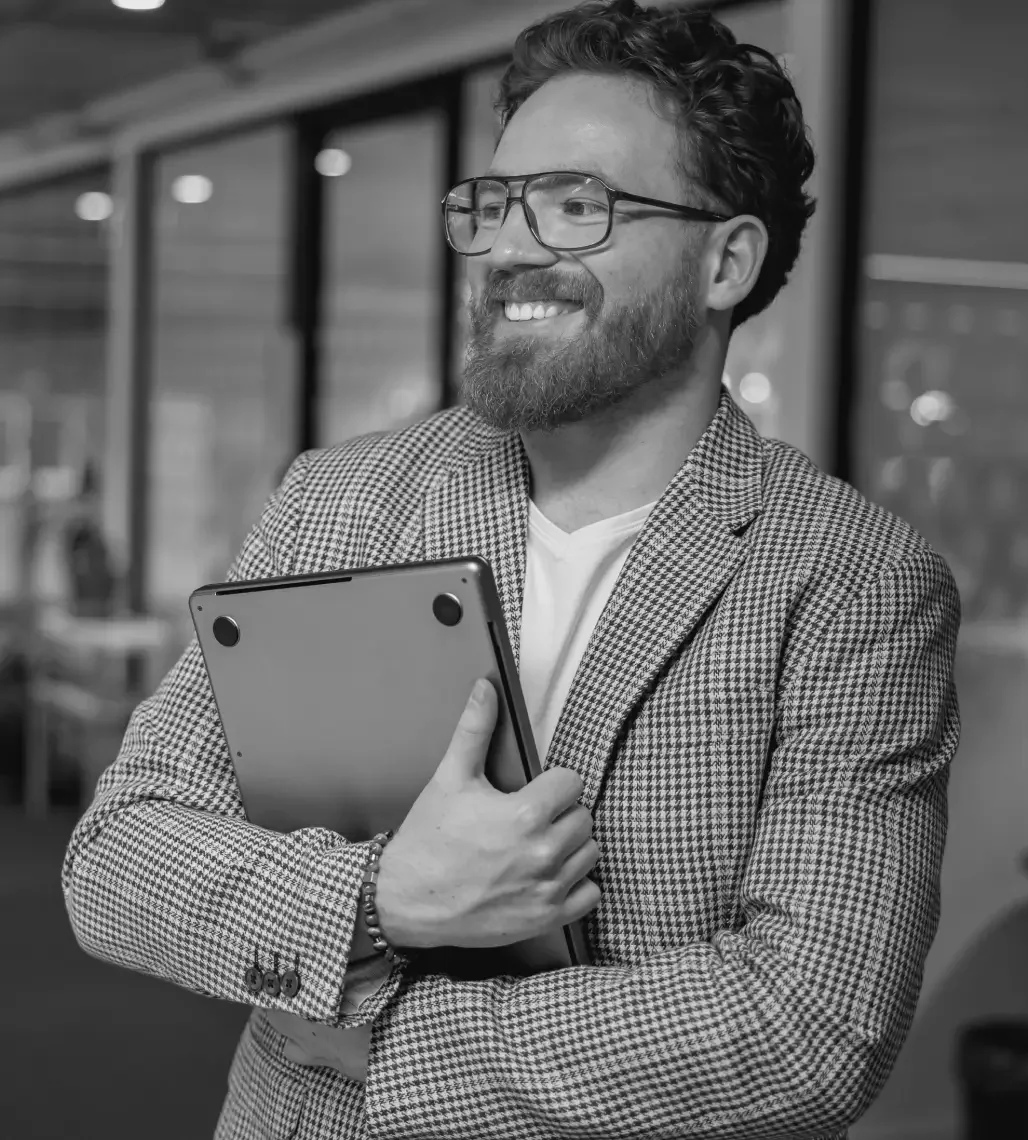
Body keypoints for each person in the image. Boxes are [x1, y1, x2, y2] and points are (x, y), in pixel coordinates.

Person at [62, 2, 961, 1138]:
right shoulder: (340, 499)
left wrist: (388, 1044)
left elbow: (808, 1028)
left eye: (577, 205)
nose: (507, 249)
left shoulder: (854, 582)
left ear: (726, 261)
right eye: (493, 205)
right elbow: (118, 854)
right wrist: (382, 901)